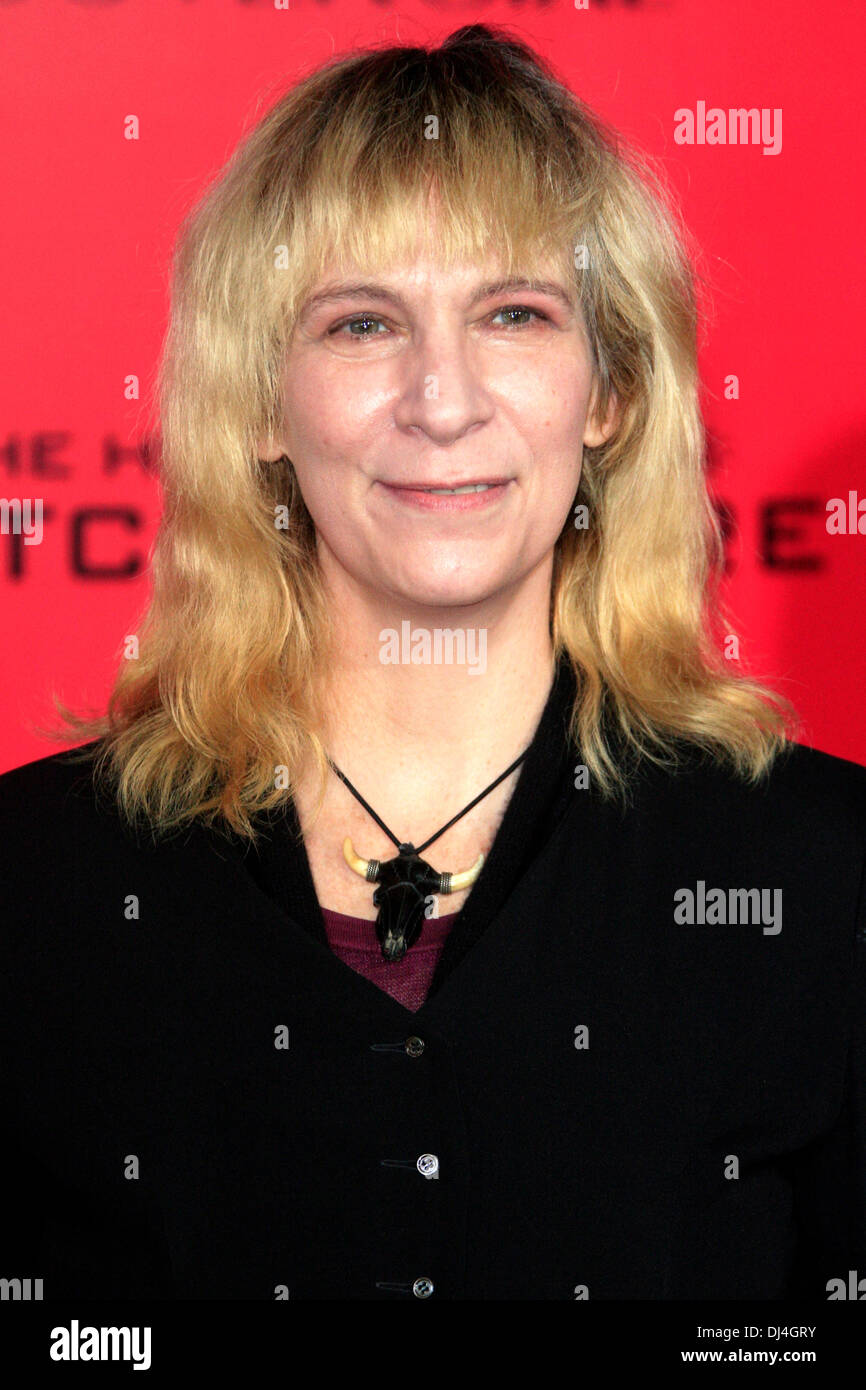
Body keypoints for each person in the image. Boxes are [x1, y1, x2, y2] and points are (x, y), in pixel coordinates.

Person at [1, 23, 864, 1302]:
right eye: (360, 324)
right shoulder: (37, 888)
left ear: (608, 390)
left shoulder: (820, 876)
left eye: (513, 313)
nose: (441, 398)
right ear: (258, 410)